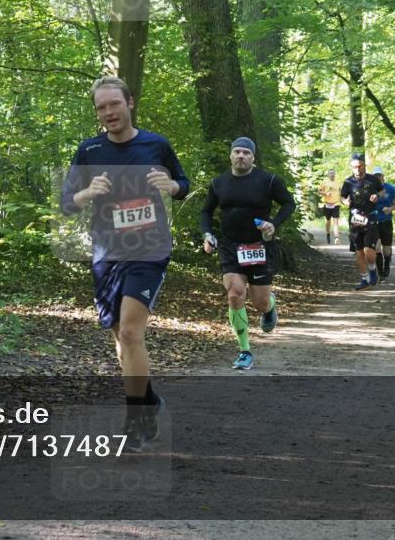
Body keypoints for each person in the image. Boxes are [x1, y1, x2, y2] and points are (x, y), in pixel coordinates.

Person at [61, 76, 189, 451]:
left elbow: (183, 182)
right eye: (101, 108)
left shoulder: (155, 144)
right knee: (121, 339)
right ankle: (149, 400)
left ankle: (137, 420)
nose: (108, 113)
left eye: (114, 104)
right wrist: (87, 192)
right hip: (106, 254)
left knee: (132, 334)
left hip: (148, 251)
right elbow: (67, 204)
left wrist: (172, 186)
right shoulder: (89, 151)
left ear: (129, 103)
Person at [201, 137, 296, 371]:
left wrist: (273, 223)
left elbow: (288, 203)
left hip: (259, 246)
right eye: (237, 152)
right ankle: (245, 351)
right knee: (235, 294)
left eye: (246, 152)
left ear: (253, 157)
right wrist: (207, 234)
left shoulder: (269, 180)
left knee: (260, 302)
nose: (241, 156)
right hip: (230, 246)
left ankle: (270, 307)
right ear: (231, 155)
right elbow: (206, 211)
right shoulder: (218, 183)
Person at [340, 153, 384, 289]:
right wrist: (345, 201)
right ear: (351, 167)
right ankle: (364, 279)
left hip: (370, 217)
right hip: (354, 219)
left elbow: (382, 191)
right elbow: (342, 196)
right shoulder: (348, 182)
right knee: (358, 251)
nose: (358, 169)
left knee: (368, 251)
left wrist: (377, 196)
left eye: (360, 166)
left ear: (364, 166)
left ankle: (372, 269)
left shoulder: (373, 180)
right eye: (355, 167)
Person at [370, 166, 395, 280]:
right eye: (375, 176)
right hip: (374, 221)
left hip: (386, 221)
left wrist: (390, 208)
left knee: (386, 250)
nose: (377, 177)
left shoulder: (390, 188)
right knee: (377, 247)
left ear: (383, 176)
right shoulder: (370, 188)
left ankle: (387, 263)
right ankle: (381, 271)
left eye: (379, 175)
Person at [317, 169, 341, 244]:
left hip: (336, 204)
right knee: (328, 221)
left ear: (335, 174)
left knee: (336, 221)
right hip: (327, 204)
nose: (332, 174)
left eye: (333, 173)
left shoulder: (338, 183)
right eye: (330, 173)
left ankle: (336, 238)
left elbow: (341, 193)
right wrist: (325, 194)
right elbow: (319, 191)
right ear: (328, 175)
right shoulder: (324, 182)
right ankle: (328, 233)